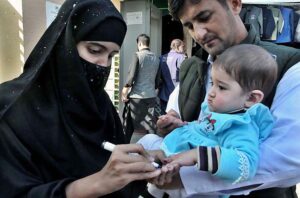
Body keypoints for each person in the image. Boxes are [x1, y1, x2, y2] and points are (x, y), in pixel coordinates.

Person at [0, 0, 163, 197]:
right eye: (95, 50)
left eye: (112, 56)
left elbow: (119, 178)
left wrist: (143, 170)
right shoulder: (12, 109)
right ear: (65, 44)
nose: (103, 65)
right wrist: (96, 184)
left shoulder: (101, 106)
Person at [153, 0, 300, 197]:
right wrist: (172, 126)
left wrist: (184, 177)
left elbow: (289, 157)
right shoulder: (191, 66)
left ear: (235, 4)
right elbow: (185, 120)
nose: (199, 34)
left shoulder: (290, 64)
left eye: (204, 17)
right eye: (189, 26)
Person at [140, 44, 277, 197]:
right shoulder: (220, 112)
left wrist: (197, 155)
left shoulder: (241, 127)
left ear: (251, 98)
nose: (211, 93)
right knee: (147, 141)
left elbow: (246, 164)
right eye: (213, 83)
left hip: (193, 181)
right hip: (174, 157)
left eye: (222, 88)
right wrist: (184, 125)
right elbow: (205, 130)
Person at [121, 34, 160, 143]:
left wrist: (124, 90)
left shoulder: (137, 55)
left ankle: (125, 148)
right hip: (151, 96)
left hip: (136, 97)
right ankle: (152, 147)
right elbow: (157, 81)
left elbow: (131, 76)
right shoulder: (156, 58)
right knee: (151, 126)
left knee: (128, 126)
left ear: (139, 44)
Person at [158, 39, 186, 112]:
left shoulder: (162, 58)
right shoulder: (181, 57)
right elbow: (186, 75)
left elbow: (158, 75)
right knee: (175, 118)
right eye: (183, 46)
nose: (184, 49)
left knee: (163, 117)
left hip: (163, 93)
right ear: (177, 46)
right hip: (176, 93)